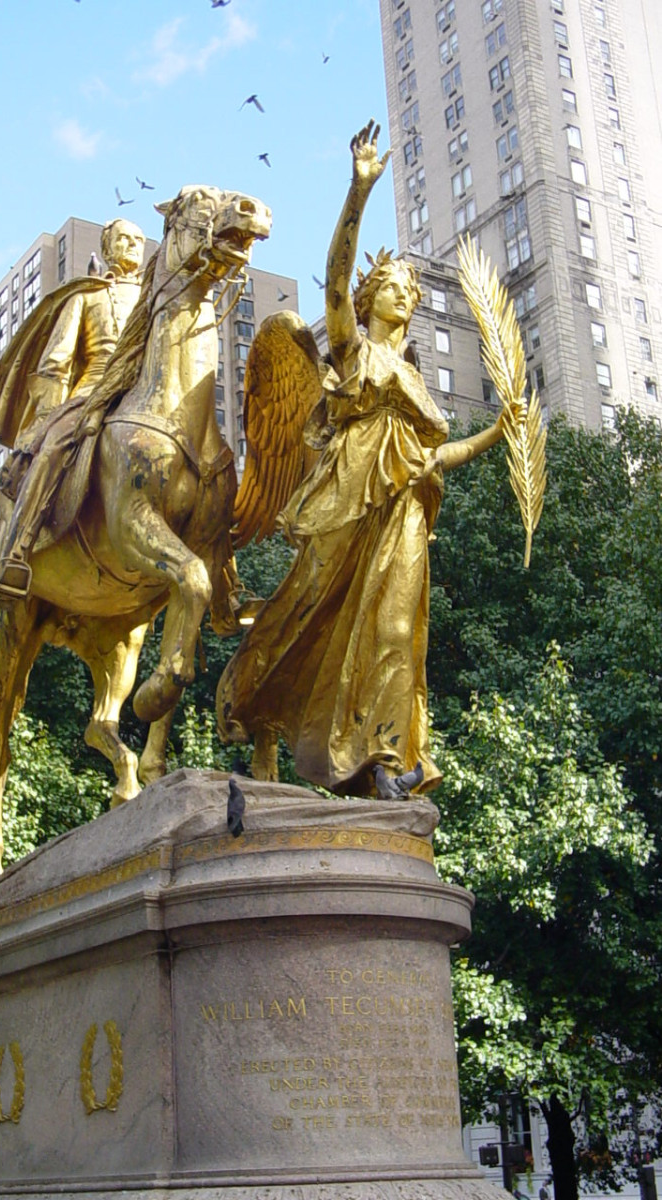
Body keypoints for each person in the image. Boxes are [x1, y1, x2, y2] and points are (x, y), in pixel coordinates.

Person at [217, 122, 505, 798]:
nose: (407, 293)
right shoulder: (352, 351)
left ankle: (380, 759)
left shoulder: (412, 383)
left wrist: (497, 434)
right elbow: (335, 282)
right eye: (394, 284)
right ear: (372, 296)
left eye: (412, 288)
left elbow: (432, 456)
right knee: (306, 612)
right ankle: (257, 705)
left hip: (402, 510)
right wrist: (358, 191)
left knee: (397, 627)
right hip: (346, 503)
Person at [0, 217, 146, 599]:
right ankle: (19, 547)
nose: (132, 245)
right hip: (91, 391)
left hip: (145, 391)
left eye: (138, 240)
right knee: (55, 447)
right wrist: (47, 417)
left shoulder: (154, 300)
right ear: (107, 247)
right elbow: (56, 362)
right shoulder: (86, 297)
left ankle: (225, 578)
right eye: (123, 239)